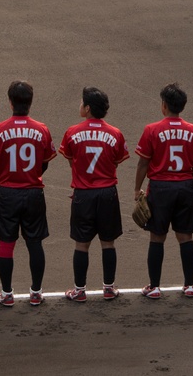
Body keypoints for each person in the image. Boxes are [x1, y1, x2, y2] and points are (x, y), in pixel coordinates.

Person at [0, 80, 56, 307]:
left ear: (10, 102)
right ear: (30, 102)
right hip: (34, 192)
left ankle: (6, 294)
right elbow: (44, 164)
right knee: (35, 243)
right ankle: (36, 292)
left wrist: (7, 175)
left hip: (7, 193)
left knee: (6, 243)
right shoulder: (41, 129)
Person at [134, 83, 193, 300]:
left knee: (157, 237)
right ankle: (190, 285)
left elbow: (143, 164)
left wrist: (137, 189)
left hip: (160, 189)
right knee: (185, 237)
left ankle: (154, 287)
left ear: (164, 105)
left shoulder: (152, 129)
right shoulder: (192, 130)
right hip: (185, 187)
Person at [59, 87, 129, 302]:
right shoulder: (115, 133)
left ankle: (79, 291)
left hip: (83, 194)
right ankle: (109, 288)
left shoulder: (72, 132)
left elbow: (72, 160)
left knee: (82, 244)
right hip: (107, 193)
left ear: (87, 108)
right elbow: (116, 160)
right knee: (108, 242)